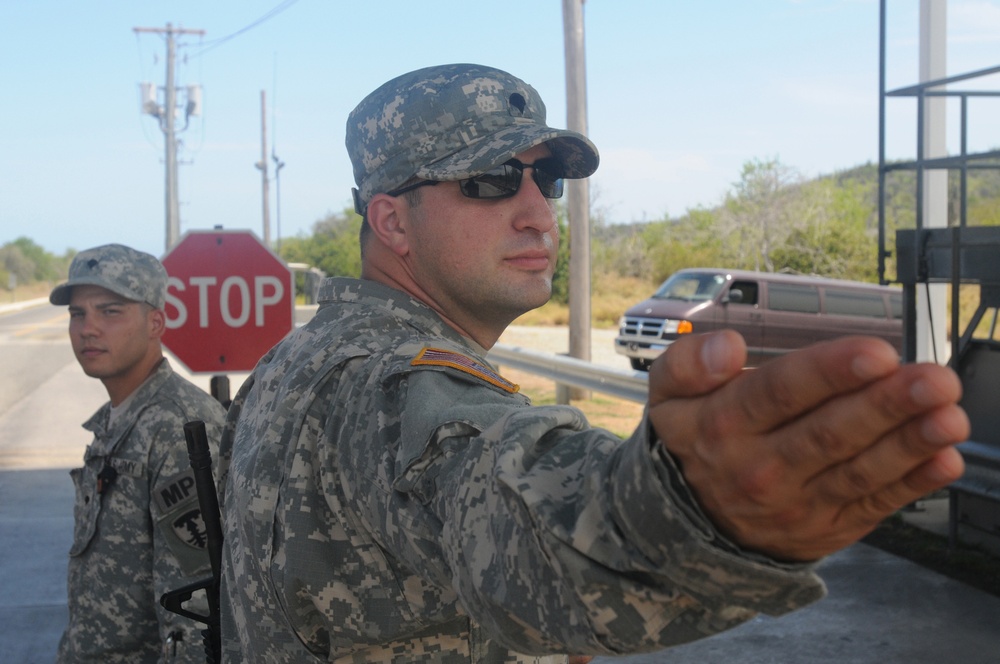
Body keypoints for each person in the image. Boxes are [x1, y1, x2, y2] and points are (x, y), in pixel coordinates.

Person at [217, 63, 969, 663]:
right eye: (487, 181)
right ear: (391, 221)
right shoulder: (389, 384)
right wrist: (683, 510)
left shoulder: (300, 356)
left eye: (545, 179)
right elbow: (504, 494)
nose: (536, 211)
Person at [50, 243, 228, 663]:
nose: (88, 328)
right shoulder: (120, 419)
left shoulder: (177, 426)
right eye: (78, 314)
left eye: (110, 311)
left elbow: (195, 611)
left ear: (155, 323)